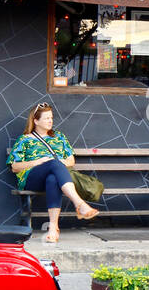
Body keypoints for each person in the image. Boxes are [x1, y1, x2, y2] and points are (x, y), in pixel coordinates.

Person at [8, 102, 99, 243]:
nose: (50, 121)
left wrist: (57, 163)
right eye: (46, 118)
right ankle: (79, 203)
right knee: (53, 163)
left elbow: (71, 161)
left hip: (55, 177)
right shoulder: (24, 140)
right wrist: (38, 162)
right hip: (32, 179)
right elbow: (15, 166)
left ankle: (53, 228)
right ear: (36, 120)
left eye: (51, 118)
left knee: (52, 179)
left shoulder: (59, 137)